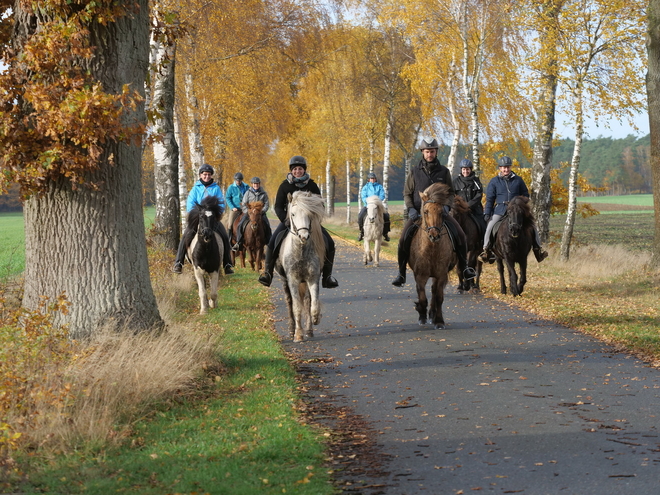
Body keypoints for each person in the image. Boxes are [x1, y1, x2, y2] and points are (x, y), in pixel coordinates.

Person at [391, 138, 477, 287]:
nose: (429, 154)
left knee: (461, 235)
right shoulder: (414, 171)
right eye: (427, 151)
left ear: (436, 152)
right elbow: (407, 193)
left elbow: (451, 193)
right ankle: (401, 273)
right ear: (423, 153)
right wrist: (411, 208)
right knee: (403, 238)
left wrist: (447, 207)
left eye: (432, 151)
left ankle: (465, 269)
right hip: (419, 214)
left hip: (440, 214)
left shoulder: (444, 171)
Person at [257, 155, 339, 289]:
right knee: (273, 242)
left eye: (300, 169)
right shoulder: (284, 186)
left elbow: (320, 205)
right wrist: (286, 219)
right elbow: (278, 206)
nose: (297, 171)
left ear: (304, 170)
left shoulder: (311, 185)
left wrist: (313, 220)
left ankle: (327, 277)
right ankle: (268, 273)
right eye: (295, 169)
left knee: (330, 242)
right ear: (291, 171)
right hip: (289, 221)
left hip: (309, 223)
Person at [480, 156, 549, 264]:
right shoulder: (494, 181)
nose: (506, 170)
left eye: (507, 167)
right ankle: (486, 251)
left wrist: (519, 202)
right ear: (500, 168)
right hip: (500, 209)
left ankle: (538, 250)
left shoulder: (518, 180)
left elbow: (526, 195)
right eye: (504, 168)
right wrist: (487, 213)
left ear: (510, 167)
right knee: (490, 227)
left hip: (517, 211)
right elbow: (490, 199)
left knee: (532, 226)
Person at [172, 164, 234, 275]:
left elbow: (221, 203)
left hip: (212, 218)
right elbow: (190, 204)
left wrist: (215, 213)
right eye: (205, 174)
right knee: (186, 235)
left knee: (224, 235)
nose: (207, 176)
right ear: (200, 175)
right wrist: (197, 213)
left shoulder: (216, 188)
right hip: (199, 217)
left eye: (209, 175)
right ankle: (179, 263)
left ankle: (227, 264)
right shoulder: (195, 189)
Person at [232, 177, 272, 251]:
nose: (255, 185)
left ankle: (269, 242)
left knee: (267, 224)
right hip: (249, 213)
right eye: (254, 184)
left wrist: (262, 211)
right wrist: (248, 211)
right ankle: (239, 242)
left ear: (259, 184)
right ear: (252, 184)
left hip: (260, 214)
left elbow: (266, 204)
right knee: (240, 224)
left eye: (257, 184)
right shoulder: (248, 193)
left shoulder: (264, 193)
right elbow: (244, 203)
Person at [453, 158, 487, 235]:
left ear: (470, 169)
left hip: (474, 210)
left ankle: (483, 243)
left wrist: (468, 205)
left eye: (467, 169)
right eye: (464, 169)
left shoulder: (476, 181)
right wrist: (460, 206)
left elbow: (479, 195)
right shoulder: (455, 182)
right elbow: (452, 196)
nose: (466, 171)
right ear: (461, 170)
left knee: (483, 226)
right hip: (460, 211)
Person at [357, 172, 391, 242]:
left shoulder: (379, 186)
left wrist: (377, 202)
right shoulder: (365, 187)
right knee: (360, 216)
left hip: (377, 206)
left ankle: (385, 233)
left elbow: (382, 195)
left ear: (375, 179)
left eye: (373, 178)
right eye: (371, 179)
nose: (372, 180)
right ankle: (361, 232)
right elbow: (363, 196)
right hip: (368, 206)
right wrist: (368, 202)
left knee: (386, 216)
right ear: (368, 179)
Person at [226, 172, 249, 240]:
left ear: (242, 180)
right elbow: (227, 198)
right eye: (237, 180)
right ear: (235, 180)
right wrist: (232, 207)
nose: (238, 181)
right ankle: (229, 240)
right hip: (235, 209)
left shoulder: (246, 187)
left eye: (239, 180)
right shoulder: (231, 187)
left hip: (245, 209)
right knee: (230, 224)